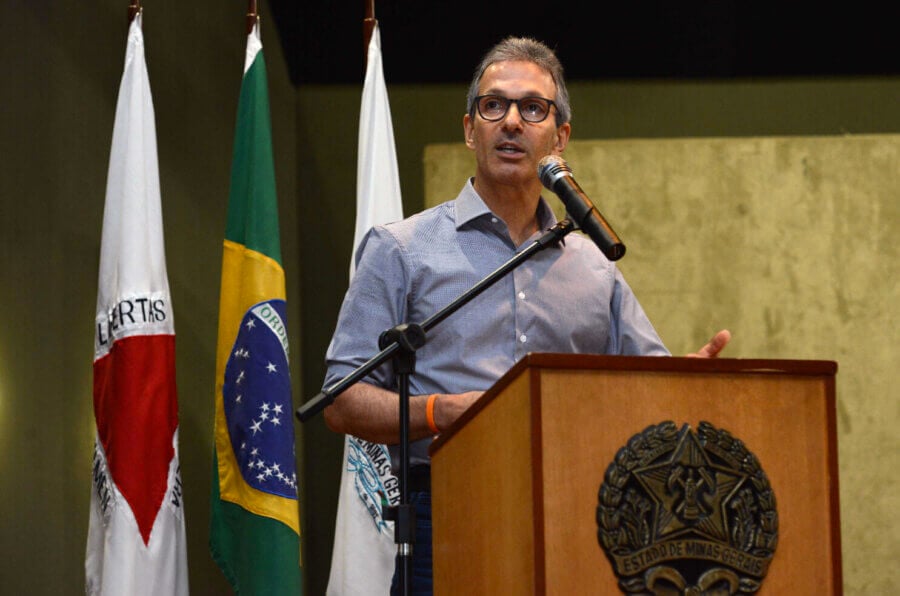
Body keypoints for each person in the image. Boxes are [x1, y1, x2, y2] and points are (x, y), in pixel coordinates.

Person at [322, 36, 730, 595]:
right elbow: (342, 400)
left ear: (559, 139)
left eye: (533, 109)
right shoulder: (402, 249)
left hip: (580, 513)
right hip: (447, 513)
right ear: (470, 129)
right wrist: (442, 410)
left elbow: (644, 388)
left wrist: (682, 382)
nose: (511, 122)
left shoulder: (593, 264)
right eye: (494, 105)